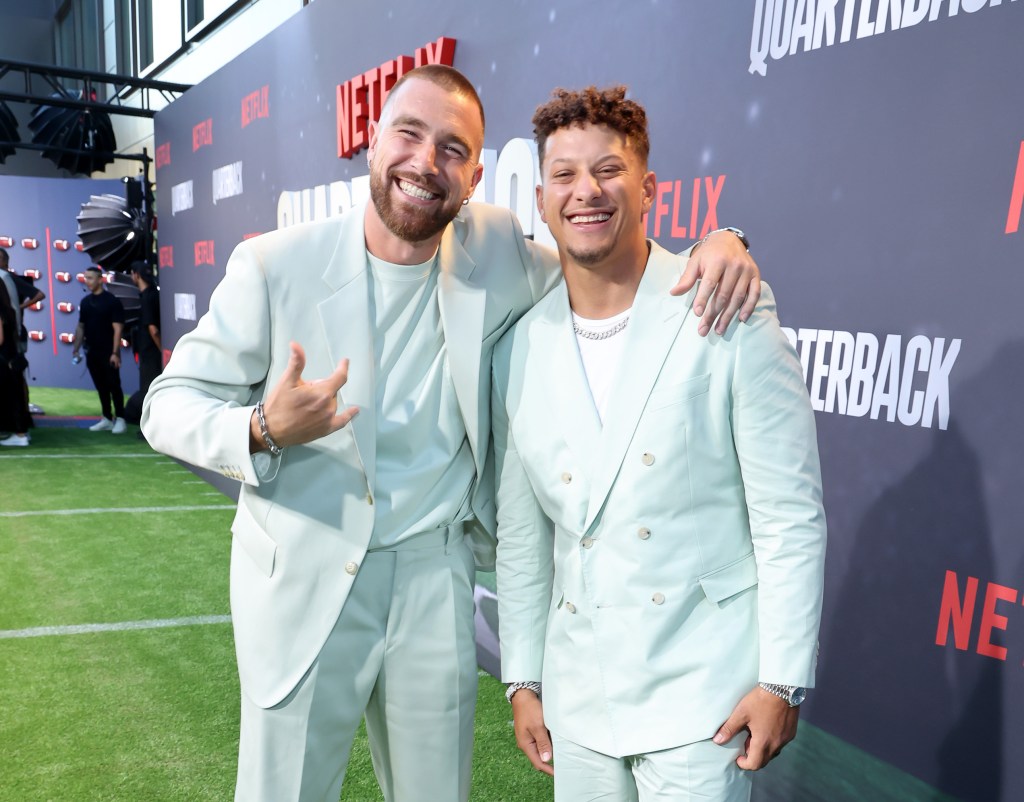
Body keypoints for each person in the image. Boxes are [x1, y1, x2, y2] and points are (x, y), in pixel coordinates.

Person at [141, 65, 761, 802]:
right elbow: (166, 406)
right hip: (305, 573)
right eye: (409, 134)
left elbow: (605, 254)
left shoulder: (494, 248)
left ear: (474, 177)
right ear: (373, 142)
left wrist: (722, 239)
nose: (425, 163)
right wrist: (261, 427)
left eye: (453, 149)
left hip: (436, 579)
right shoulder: (276, 265)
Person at [491, 86, 827, 802]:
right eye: (564, 175)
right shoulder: (520, 345)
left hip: (703, 696)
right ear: (542, 197)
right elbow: (524, 535)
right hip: (579, 696)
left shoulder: (725, 301)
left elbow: (787, 515)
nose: (587, 191)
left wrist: (783, 678)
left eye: (608, 171)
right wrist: (523, 677)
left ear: (648, 189)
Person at [73, 266, 127, 434]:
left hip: (108, 351)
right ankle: (106, 417)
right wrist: (76, 348)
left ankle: (120, 419)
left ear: (100, 279)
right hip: (92, 351)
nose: (87, 281)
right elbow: (81, 327)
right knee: (101, 386)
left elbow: (118, 329)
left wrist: (115, 352)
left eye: (90, 278)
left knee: (113, 385)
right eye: (85, 277)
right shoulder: (85, 302)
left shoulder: (112, 301)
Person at [0, 248, 34, 446]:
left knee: (13, 391)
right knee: (15, 390)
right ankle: (21, 431)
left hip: (7, 352)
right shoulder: (8, 280)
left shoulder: (4, 278)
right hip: (12, 347)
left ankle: (20, 433)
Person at [124, 260, 162, 427]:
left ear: (136, 275)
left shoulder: (147, 297)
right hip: (151, 352)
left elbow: (153, 329)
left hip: (151, 353)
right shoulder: (153, 294)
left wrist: (161, 351)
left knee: (149, 390)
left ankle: (147, 427)